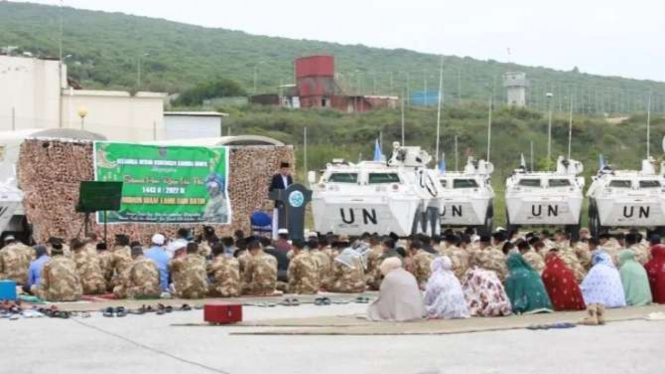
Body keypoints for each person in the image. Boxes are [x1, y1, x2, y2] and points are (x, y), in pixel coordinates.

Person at [367, 258, 427, 322]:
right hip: (417, 312)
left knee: (373, 309)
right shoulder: (409, 275)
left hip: (401, 312)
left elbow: (383, 298)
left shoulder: (389, 277)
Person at [269, 161, 293, 238]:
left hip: (288, 204)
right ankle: (275, 237)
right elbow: (271, 189)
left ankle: (287, 236)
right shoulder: (276, 178)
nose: (286, 171)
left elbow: (291, 188)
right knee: (276, 220)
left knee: (287, 221)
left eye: (287, 169)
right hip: (279, 203)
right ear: (281, 169)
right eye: (284, 169)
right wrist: (280, 192)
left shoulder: (289, 178)